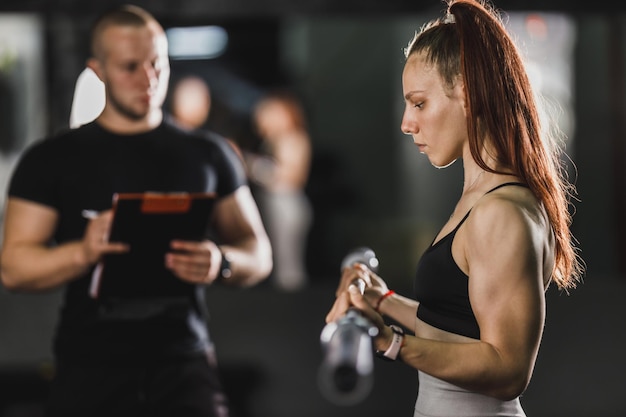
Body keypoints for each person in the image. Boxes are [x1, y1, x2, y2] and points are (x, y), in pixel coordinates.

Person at [0, 5, 272, 417]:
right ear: (97, 70)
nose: (148, 80)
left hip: (184, 360)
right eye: (130, 67)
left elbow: (259, 252)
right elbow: (13, 268)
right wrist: (83, 251)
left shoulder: (208, 154)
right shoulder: (51, 160)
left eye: (156, 65)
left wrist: (221, 262)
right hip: (88, 365)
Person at [325, 0, 585, 416]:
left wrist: (388, 342)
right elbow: (458, 329)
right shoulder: (481, 199)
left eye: (420, 103)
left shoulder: (501, 212)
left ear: (468, 91)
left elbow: (507, 370)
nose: (407, 123)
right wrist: (384, 299)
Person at [246, 90, 313, 291]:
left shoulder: (292, 138)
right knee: (281, 265)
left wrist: (253, 166)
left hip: (286, 205)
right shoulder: (274, 141)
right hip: (278, 204)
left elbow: (291, 176)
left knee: (288, 268)